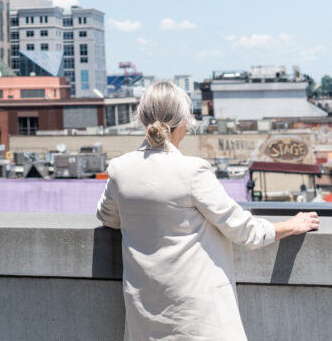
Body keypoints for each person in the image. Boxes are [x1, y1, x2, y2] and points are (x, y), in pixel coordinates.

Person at [97, 80, 319, 341]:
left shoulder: (121, 169)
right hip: (198, 321)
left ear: (142, 118)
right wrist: (291, 225)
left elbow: (108, 217)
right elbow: (243, 230)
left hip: (145, 319)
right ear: (184, 122)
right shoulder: (192, 171)